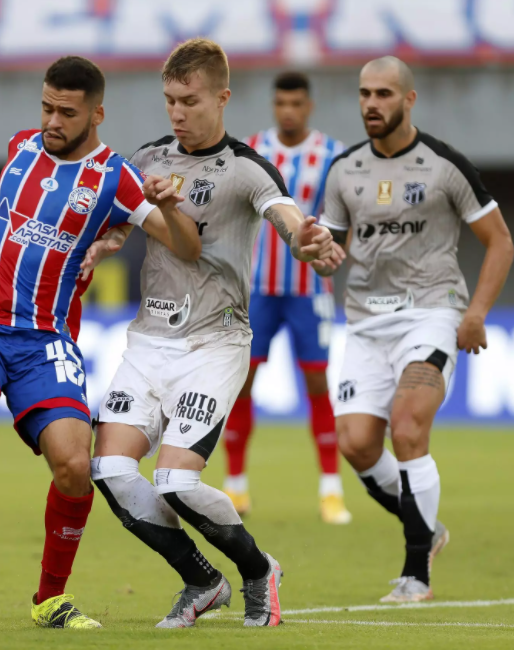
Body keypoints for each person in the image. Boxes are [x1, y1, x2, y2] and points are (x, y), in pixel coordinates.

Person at [0, 56, 201, 630]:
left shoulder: (115, 179)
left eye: (66, 112)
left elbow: (187, 247)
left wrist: (172, 211)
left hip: (45, 340)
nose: (52, 121)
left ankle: (50, 599)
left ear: (96, 114)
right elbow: (6, 225)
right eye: (47, 107)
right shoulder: (19, 148)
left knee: (77, 465)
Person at [87, 38, 336, 629]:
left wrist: (308, 238)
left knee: (174, 480)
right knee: (111, 471)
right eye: (170, 100)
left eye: (190, 100)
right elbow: (116, 224)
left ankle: (258, 571)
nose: (177, 112)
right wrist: (103, 244)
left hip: (215, 344)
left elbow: (285, 216)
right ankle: (201, 581)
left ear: (222, 98)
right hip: (148, 343)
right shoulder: (145, 160)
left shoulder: (247, 169)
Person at [317, 57, 514, 603]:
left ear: (409, 99)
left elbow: (500, 240)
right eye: (364, 93)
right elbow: (330, 250)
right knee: (356, 444)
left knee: (406, 429)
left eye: (383, 93)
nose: (371, 104)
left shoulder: (445, 165)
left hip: (432, 312)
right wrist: (317, 253)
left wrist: (475, 313)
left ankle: (415, 574)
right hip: (364, 322)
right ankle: (430, 531)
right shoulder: (344, 170)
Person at [222, 71, 351, 525]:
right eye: (281, 103)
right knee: (242, 382)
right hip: (256, 288)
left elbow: (344, 217)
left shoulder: (333, 155)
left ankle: (331, 490)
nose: (288, 111)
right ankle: (235, 487)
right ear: (274, 106)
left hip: (309, 289)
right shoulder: (251, 149)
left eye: (296, 103)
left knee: (318, 384)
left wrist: (337, 252)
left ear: (308, 106)